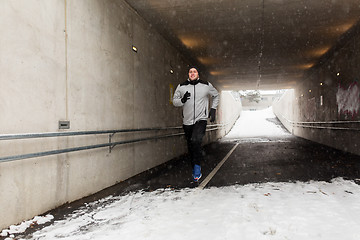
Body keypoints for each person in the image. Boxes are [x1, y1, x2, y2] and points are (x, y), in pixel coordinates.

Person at [173, 66, 219, 182]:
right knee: (191, 146)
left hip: (201, 119)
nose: (192, 73)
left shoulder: (205, 85)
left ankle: (197, 169)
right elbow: (174, 101)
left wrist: (213, 109)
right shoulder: (182, 86)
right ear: (188, 74)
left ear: (198, 74)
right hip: (187, 121)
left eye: (194, 71)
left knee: (196, 141)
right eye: (190, 71)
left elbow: (216, 95)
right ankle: (194, 167)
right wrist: (182, 100)